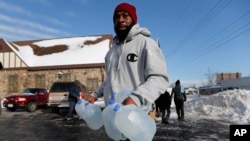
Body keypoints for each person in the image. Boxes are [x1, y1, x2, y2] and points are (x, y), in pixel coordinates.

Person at [87, 2, 168, 113]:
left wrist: (136, 98)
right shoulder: (111, 52)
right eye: (117, 16)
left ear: (133, 19)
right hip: (112, 115)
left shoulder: (146, 44)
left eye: (125, 15)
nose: (121, 20)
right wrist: (95, 95)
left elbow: (159, 79)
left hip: (135, 116)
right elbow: (110, 80)